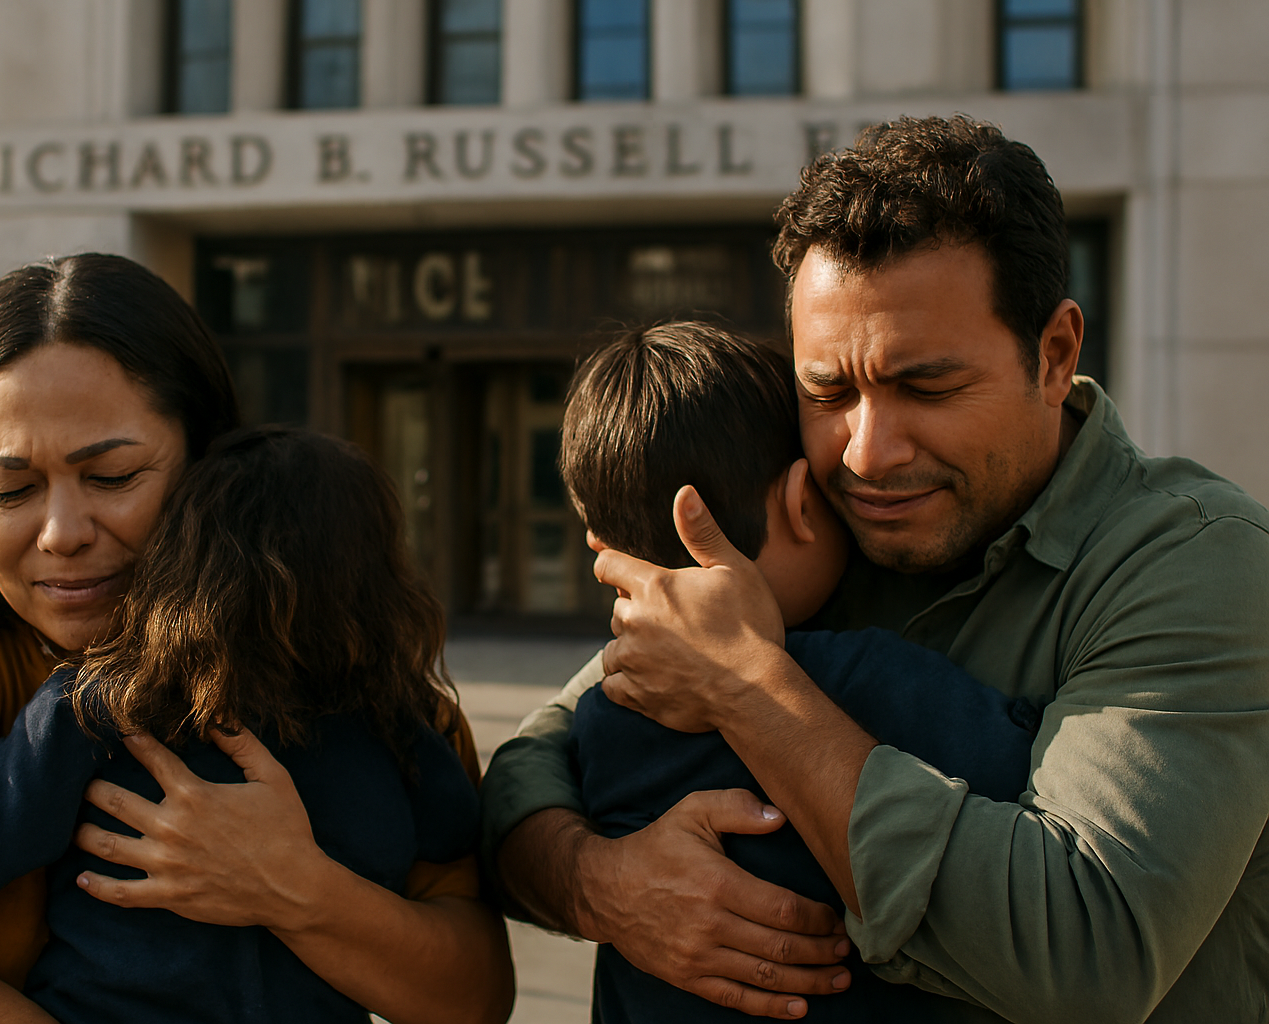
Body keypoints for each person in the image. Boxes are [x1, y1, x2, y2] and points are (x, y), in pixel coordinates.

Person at [481, 114, 1269, 1023]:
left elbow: (1086, 949)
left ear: (1053, 356)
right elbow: (535, 767)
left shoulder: (1196, 561)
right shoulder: (819, 524)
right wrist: (603, 884)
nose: (868, 452)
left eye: (926, 388)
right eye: (828, 393)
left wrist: (753, 688)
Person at [0, 253, 510, 1024]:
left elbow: (472, 994)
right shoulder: (387, 709)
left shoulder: (96, 702)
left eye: (111, 477)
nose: (62, 533)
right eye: (10, 490)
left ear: (208, 463)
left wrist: (298, 887)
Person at [556, 322, 1040, 1022]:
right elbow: (1022, 761)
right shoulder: (868, 678)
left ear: (604, 548)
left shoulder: (604, 712)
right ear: (803, 502)